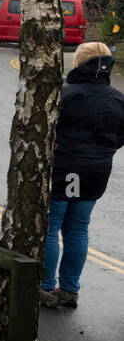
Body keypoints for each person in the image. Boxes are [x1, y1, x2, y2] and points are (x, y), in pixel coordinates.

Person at [39, 42, 124, 308]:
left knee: (51, 227)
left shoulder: (65, 95)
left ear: (78, 63)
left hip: (67, 167)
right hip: (98, 168)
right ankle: (70, 289)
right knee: (77, 228)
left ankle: (45, 287)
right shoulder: (118, 99)